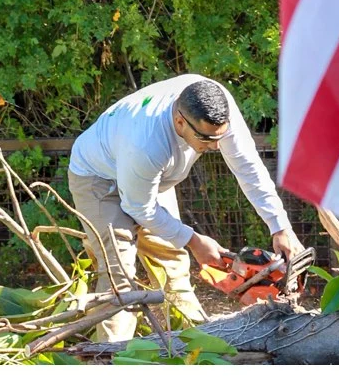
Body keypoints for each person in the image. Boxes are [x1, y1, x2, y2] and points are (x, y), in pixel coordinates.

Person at [68, 74, 305, 341]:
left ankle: (193, 347)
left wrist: (279, 226)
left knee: (174, 264)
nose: (216, 146)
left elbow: (247, 166)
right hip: (98, 179)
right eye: (206, 138)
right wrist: (193, 240)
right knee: (120, 277)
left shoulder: (216, 102)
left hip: (150, 181)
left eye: (220, 136)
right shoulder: (146, 144)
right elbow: (139, 207)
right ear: (180, 122)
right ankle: (110, 358)